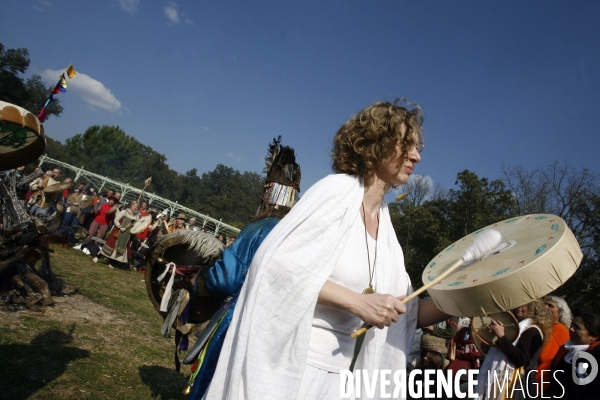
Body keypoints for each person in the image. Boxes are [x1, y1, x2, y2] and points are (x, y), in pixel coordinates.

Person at [204, 99, 449, 399]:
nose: (417, 156)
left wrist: (474, 294)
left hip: (339, 381)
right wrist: (358, 303)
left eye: (417, 146)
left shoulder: (387, 233)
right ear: (376, 144)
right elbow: (274, 265)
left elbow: (409, 313)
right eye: (406, 144)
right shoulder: (335, 192)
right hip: (294, 370)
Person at [187, 136, 301, 399]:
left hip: (241, 321)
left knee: (216, 383)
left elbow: (225, 280)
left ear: (266, 194)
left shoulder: (258, 229)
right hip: (281, 332)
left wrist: (200, 279)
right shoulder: (297, 233)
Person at [475, 300, 552, 400]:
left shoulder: (533, 330)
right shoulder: (514, 327)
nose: (519, 307)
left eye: (524, 305)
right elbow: (506, 349)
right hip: (500, 378)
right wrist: (491, 346)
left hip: (513, 381)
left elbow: (521, 359)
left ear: (533, 308)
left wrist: (501, 337)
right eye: (518, 304)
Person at [546, 312, 600, 399]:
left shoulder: (596, 358)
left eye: (577, 327)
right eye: (572, 325)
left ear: (593, 337)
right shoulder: (566, 349)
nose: (571, 329)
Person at [535, 296, 572, 391]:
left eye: (550, 306)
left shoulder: (559, 329)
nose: (546, 307)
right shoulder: (546, 326)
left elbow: (543, 356)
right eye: (545, 304)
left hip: (541, 383)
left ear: (560, 313)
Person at [100, 201, 139, 270]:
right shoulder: (124, 212)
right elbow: (116, 219)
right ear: (131, 206)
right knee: (111, 244)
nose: (135, 208)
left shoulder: (136, 216)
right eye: (134, 206)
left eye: (136, 207)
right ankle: (98, 256)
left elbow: (136, 226)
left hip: (126, 235)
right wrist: (120, 227)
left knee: (120, 249)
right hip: (118, 231)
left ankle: (112, 262)